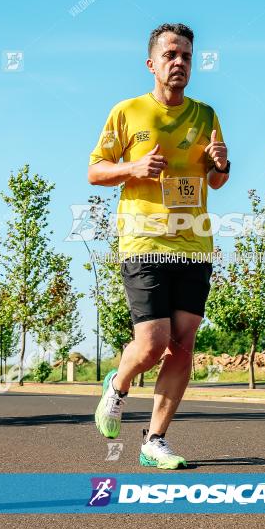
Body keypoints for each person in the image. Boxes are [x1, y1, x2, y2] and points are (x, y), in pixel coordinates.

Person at [88, 23, 230, 469]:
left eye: (187, 56)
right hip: (144, 240)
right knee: (152, 344)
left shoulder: (206, 115)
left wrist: (222, 165)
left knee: (183, 347)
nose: (179, 63)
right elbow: (95, 172)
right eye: (170, 55)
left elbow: (217, 179)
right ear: (151, 63)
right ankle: (118, 384)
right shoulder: (126, 112)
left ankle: (155, 439)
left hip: (194, 243)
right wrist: (133, 167)